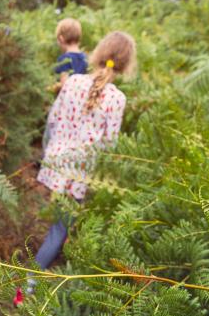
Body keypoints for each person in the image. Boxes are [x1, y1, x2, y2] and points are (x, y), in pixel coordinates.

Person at [35, 31, 137, 271]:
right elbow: (109, 146)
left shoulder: (72, 82)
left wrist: (47, 154)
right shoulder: (117, 98)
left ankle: (47, 264)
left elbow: (52, 120)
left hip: (55, 163)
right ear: (126, 64)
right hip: (78, 174)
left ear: (99, 52)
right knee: (59, 229)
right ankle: (28, 283)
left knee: (60, 220)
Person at [53, 18, 88, 89]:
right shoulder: (85, 58)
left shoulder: (64, 59)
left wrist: (54, 87)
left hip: (69, 99)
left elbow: (64, 86)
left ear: (61, 38)